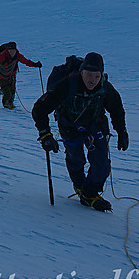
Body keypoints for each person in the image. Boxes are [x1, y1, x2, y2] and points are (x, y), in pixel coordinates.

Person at [32, 52, 128, 212]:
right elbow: (39, 109)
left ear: (102, 75)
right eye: (89, 75)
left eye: (97, 76)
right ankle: (79, 186)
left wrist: (122, 132)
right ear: (82, 72)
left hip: (95, 127)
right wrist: (45, 135)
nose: (93, 80)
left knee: (102, 165)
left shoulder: (105, 88)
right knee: (76, 159)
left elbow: (116, 109)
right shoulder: (67, 85)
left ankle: (89, 194)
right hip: (70, 126)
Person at [0, 41, 42, 109]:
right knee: (7, 92)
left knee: (12, 90)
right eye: (10, 50)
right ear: (7, 50)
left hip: (12, 76)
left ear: (16, 50)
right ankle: (6, 105)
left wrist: (35, 65)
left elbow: (26, 61)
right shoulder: (3, 55)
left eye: (13, 50)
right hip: (2, 76)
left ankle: (10, 103)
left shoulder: (18, 55)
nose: (12, 52)